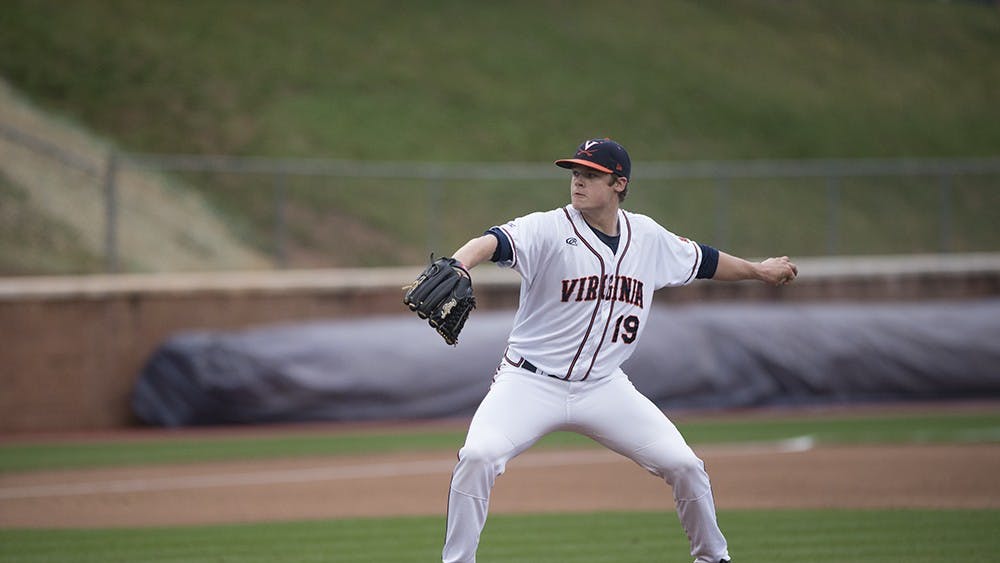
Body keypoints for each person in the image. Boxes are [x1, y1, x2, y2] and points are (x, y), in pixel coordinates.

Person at [441, 138, 798, 563]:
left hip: (603, 387)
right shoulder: (549, 228)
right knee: (478, 456)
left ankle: (713, 558)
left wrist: (758, 270)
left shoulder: (646, 237)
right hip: (529, 382)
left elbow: (705, 260)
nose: (578, 181)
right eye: (576, 173)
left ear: (619, 183)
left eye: (591, 175)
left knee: (685, 466)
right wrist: (459, 263)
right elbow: (493, 241)